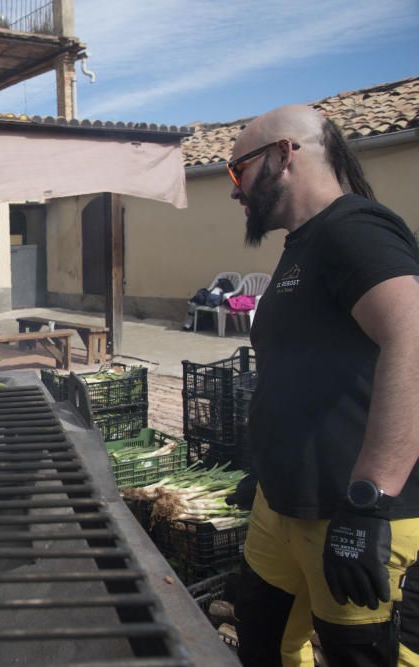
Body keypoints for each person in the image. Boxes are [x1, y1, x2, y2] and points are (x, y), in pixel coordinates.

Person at [226, 105, 419, 666]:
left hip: (352, 515)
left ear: (284, 155)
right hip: (281, 507)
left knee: (358, 656)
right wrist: (268, 468)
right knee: (263, 642)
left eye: (239, 171)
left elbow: (411, 341)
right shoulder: (301, 246)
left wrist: (368, 502)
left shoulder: (353, 229)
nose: (235, 192)